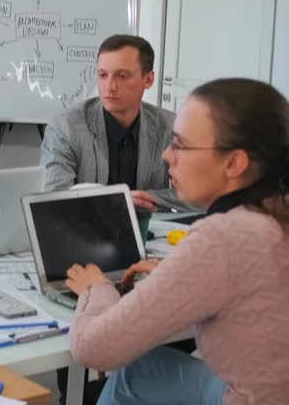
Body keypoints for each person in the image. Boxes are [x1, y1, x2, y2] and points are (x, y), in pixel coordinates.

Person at [65, 78, 289, 404]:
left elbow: (93, 350)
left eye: (182, 145)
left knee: (128, 372)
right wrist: (178, 276)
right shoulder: (274, 214)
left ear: (234, 163)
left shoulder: (222, 239)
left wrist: (96, 289)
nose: (168, 156)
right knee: (139, 372)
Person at [40, 34, 195, 213]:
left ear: (149, 80)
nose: (110, 86)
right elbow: (51, 200)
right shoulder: (65, 128)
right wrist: (119, 201)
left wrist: (149, 198)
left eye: (122, 76)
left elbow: (201, 195)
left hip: (150, 235)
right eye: (103, 75)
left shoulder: (171, 127)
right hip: (87, 234)